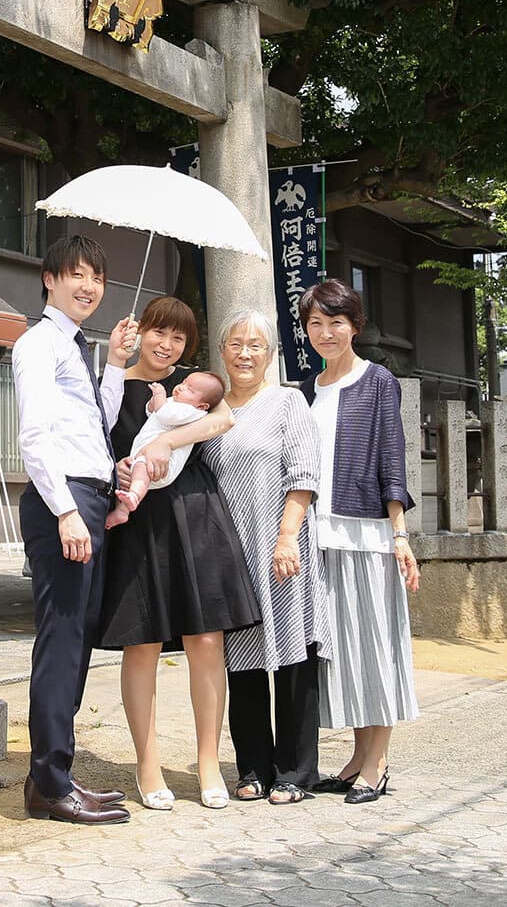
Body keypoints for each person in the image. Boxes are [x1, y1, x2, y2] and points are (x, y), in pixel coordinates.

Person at [95, 297, 259, 813]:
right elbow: (93, 442)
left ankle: (208, 762)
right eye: (159, 333)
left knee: (206, 638)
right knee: (141, 642)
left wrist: (167, 442)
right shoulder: (112, 383)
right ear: (140, 330)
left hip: (195, 514)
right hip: (138, 519)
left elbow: (223, 420)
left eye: (179, 338)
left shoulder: (193, 383)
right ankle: (148, 764)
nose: (167, 345)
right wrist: (119, 468)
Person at [13, 233, 139, 825]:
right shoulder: (39, 344)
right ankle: (48, 783)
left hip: (88, 499)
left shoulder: (76, 347)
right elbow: (35, 436)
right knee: (61, 640)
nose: (89, 287)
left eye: (97, 278)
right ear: (50, 278)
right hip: (61, 501)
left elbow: (96, 424)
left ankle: (55, 776)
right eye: (77, 274)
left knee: (78, 640)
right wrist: (66, 510)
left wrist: (114, 365)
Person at [199, 309, 331, 805]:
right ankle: (253, 767)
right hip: (231, 554)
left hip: (281, 547)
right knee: (243, 661)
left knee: (294, 657)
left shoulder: (288, 402)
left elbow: (304, 473)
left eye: (256, 345)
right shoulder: (210, 411)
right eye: (236, 344)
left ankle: (296, 772)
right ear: (222, 351)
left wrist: (287, 535)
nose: (245, 354)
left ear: (270, 354)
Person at [297, 279, 421, 804]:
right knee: (345, 652)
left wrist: (399, 534)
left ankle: (378, 763)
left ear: (355, 326)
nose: (325, 333)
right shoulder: (305, 389)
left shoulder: (378, 381)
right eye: (315, 324)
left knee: (375, 645)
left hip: (367, 534)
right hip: (317, 535)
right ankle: (355, 758)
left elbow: (393, 457)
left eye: (336, 323)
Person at [105, 370, 227, 529]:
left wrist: (160, 396)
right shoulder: (175, 403)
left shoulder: (192, 411)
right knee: (128, 480)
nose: (181, 387)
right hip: (143, 458)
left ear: (202, 405)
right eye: (184, 382)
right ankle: (122, 511)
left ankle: (134, 496)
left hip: (160, 466)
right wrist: (152, 404)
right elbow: (153, 413)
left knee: (140, 471)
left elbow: (165, 415)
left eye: (190, 390)